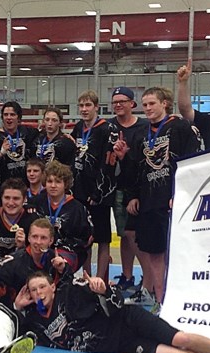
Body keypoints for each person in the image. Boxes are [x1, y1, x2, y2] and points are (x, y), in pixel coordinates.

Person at [14, 271, 210, 353]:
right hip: (120, 344)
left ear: (53, 288)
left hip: (127, 320)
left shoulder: (72, 293)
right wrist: (17, 306)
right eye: (33, 289)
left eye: (42, 287)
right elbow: (14, 332)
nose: (38, 293)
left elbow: (113, 299)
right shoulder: (33, 321)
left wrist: (103, 289)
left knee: (181, 338)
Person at [127, 87, 200, 308]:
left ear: (164, 103)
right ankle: (161, 300)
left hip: (174, 201)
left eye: (152, 103)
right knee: (155, 255)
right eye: (145, 104)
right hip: (149, 202)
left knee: (177, 253)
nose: (147, 108)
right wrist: (133, 196)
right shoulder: (141, 133)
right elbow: (135, 168)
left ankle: (183, 299)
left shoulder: (180, 127)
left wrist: (182, 193)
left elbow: (192, 162)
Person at [70, 90, 120, 283]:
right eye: (81, 106)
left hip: (100, 191)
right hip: (80, 190)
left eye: (88, 105)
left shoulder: (107, 128)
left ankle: (101, 278)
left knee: (103, 237)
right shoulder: (77, 128)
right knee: (85, 238)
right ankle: (86, 277)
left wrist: (98, 191)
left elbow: (108, 162)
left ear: (96, 107)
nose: (84, 109)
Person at [107, 87, 149, 292]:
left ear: (132, 103)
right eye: (115, 101)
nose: (118, 105)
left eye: (122, 101)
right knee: (124, 234)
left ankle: (149, 278)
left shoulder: (144, 127)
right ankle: (127, 275)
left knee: (136, 235)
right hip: (114, 186)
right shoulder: (108, 126)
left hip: (137, 187)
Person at [28, 160, 92, 273]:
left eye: (58, 182)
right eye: (49, 181)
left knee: (55, 264)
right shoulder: (36, 203)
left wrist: (59, 249)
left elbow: (86, 240)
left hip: (67, 252)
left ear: (65, 184)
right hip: (38, 247)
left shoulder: (77, 209)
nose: (53, 185)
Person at [0, 178, 41, 260]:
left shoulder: (33, 220)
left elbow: (38, 257)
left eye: (16, 198)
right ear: (1, 198)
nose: (11, 203)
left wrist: (23, 247)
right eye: (7, 198)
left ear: (25, 199)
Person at [0, 101, 39, 181]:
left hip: (25, 182)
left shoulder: (29, 133)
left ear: (18, 118)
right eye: (5, 115)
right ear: (2, 117)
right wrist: (0, 153)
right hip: (3, 182)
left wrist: (63, 136)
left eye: (12, 114)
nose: (9, 117)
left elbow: (46, 136)